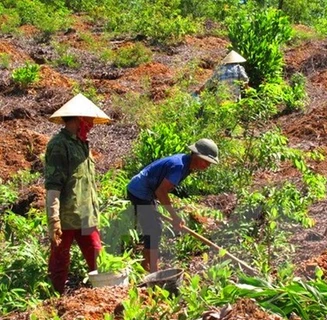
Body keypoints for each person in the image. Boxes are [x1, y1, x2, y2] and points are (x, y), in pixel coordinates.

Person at [44, 93, 111, 294]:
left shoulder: (83, 144)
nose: (91, 125)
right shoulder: (59, 145)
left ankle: (103, 294)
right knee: (60, 260)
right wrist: (53, 219)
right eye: (89, 121)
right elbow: (53, 185)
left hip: (86, 216)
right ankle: (54, 300)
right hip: (66, 216)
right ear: (79, 119)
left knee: (98, 256)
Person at [126, 138, 219, 272]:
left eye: (209, 163)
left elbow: (161, 189)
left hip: (146, 191)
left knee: (153, 229)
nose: (207, 165)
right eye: (206, 161)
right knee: (154, 229)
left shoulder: (185, 164)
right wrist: (175, 217)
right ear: (196, 155)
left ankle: (146, 266)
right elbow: (161, 191)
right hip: (139, 192)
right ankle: (152, 270)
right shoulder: (179, 166)